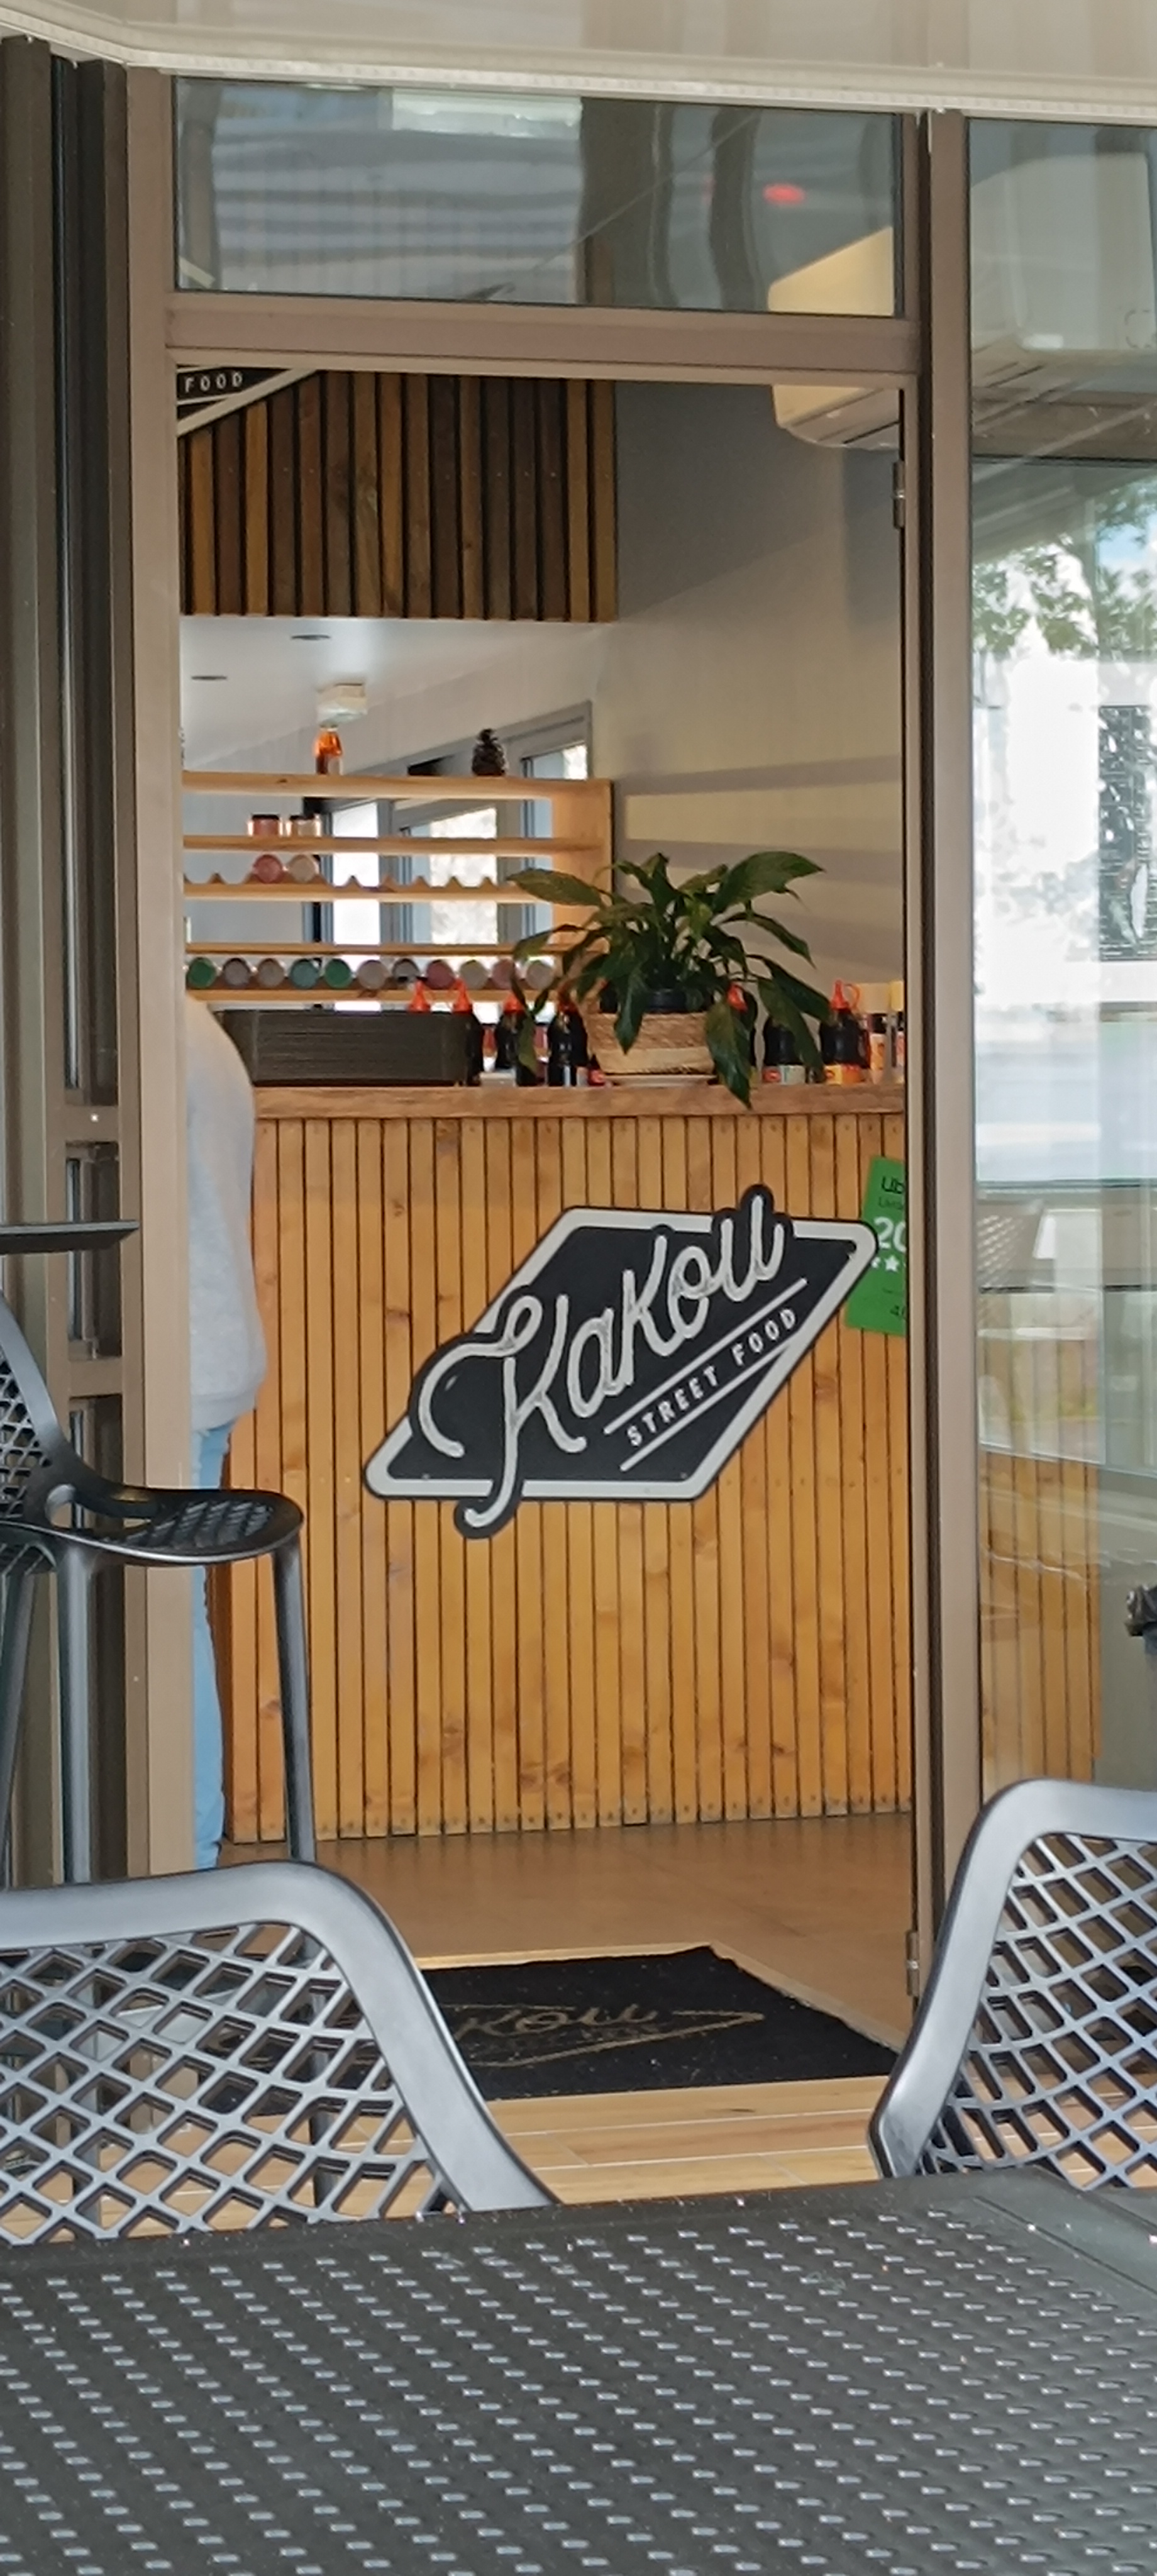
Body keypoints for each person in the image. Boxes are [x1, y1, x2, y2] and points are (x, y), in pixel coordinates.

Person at [185, 996, 267, 1867]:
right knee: (175, 1611)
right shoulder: (199, 1029)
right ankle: (188, 1854)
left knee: (163, 1616)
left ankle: (185, 1858)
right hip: (209, 1355)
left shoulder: (129, 1034)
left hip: (163, 1366)